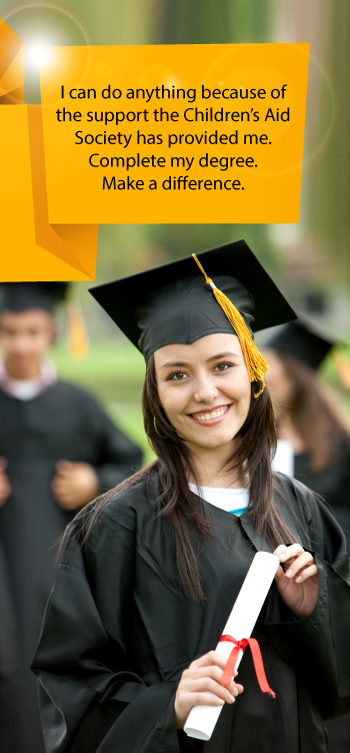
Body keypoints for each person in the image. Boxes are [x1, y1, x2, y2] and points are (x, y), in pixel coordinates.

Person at [32, 241, 350, 753]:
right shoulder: (115, 525)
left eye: (222, 365)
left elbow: (339, 689)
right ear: (155, 392)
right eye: (177, 374)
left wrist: (314, 613)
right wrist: (167, 706)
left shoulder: (302, 508)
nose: (204, 392)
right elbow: (69, 691)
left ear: (252, 370)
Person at [0, 282, 143, 753]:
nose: (21, 344)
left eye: (32, 331)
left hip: (57, 568)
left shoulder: (77, 404)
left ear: (52, 333)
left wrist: (93, 480)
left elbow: (132, 464)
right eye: (8, 331)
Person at [262, 319, 350, 753]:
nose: (260, 375)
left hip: (331, 589)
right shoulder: (252, 441)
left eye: (270, 364)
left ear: (295, 372)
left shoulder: (341, 444)